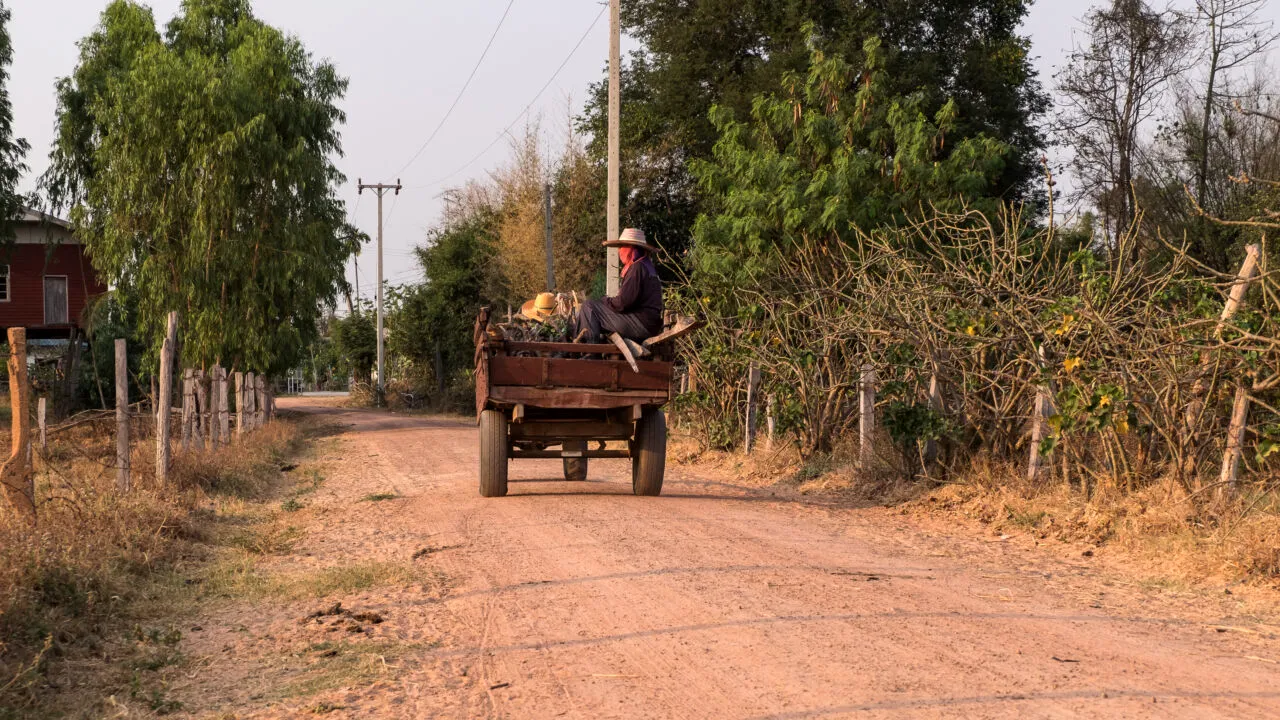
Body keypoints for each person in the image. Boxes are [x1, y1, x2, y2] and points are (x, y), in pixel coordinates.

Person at [575, 228, 663, 342]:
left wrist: (605, 300)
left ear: (632, 248)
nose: (620, 251)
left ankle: (590, 352)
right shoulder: (646, 266)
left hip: (641, 324)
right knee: (593, 306)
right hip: (647, 323)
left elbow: (623, 303)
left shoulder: (637, 268)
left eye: (623, 247)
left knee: (589, 306)